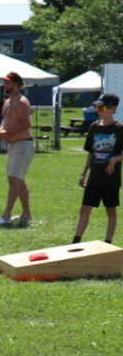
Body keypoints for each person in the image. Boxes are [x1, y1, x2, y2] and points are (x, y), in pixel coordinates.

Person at [74, 93, 123, 244]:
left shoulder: (119, 128)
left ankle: (108, 242)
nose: (99, 109)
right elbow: (91, 153)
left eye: (102, 107)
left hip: (110, 178)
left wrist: (115, 159)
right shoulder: (94, 127)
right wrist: (84, 173)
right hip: (94, 176)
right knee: (85, 208)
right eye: (97, 106)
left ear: (113, 109)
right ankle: (76, 241)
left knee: (110, 210)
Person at [0, 71, 34, 226]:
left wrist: (7, 132)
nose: (4, 85)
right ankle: (26, 214)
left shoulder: (22, 101)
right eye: (4, 82)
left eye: (7, 82)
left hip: (23, 143)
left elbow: (26, 123)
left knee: (14, 178)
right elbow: (5, 120)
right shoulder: (9, 101)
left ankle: (6, 215)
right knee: (18, 179)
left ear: (15, 84)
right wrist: (1, 132)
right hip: (14, 144)